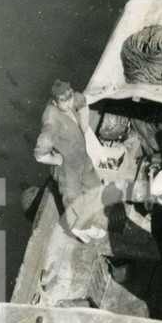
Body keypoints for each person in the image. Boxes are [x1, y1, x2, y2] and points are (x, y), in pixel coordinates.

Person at [34, 80, 104, 237]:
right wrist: (56, 160)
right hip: (67, 169)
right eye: (63, 100)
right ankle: (82, 228)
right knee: (74, 199)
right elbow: (39, 154)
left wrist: (105, 92)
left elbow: (84, 99)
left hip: (81, 157)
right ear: (54, 101)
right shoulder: (51, 120)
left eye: (70, 97)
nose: (69, 102)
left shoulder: (70, 98)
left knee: (94, 186)